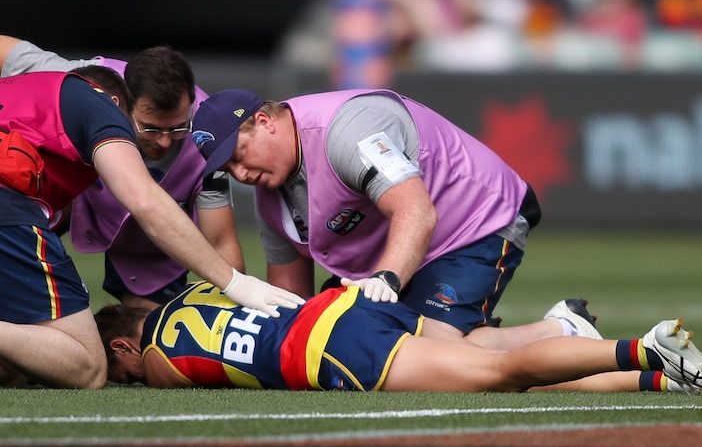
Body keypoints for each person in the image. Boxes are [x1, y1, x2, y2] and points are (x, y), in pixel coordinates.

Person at [0, 68, 303, 390]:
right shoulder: (94, 102)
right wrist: (234, 282)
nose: (153, 142)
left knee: (13, 363)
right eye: (142, 127)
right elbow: (143, 200)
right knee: (84, 366)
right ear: (117, 103)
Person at [190, 88, 598, 351]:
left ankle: (561, 330)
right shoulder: (270, 199)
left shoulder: (346, 131)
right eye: (229, 170)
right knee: (344, 340)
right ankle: (470, 326)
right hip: (400, 244)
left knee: (417, 351)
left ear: (264, 122)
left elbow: (416, 212)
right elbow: (292, 302)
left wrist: (386, 284)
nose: (241, 175)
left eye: (239, 155)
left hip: (475, 221)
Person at [0, 34, 243, 310]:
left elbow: (221, 243)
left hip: (148, 237)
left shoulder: (207, 139)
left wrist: (241, 301)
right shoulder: (84, 83)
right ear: (120, 102)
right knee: (1, 291)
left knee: (148, 337)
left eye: (177, 129)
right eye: (151, 128)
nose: (164, 141)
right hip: (73, 193)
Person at [94, 280, 702, 394]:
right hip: (348, 311)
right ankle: (661, 375)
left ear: (125, 346)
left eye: (119, 372)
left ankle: (645, 347)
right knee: (499, 373)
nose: (129, 379)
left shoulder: (155, 356)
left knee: (497, 375)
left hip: (337, 352)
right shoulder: (192, 297)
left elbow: (170, 374)